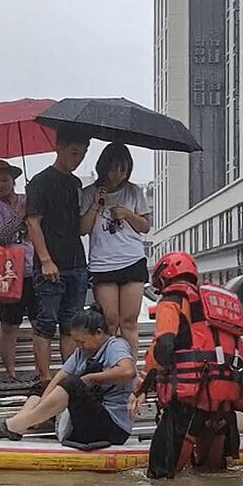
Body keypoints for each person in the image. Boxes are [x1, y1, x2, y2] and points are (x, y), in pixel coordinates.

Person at [129, 251, 243, 479]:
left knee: (160, 480)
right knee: (216, 479)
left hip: (189, 402)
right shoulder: (220, 305)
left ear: (164, 278)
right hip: (224, 404)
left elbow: (163, 348)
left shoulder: (172, 299)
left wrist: (141, 389)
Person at [0, 306, 136, 444]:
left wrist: (90, 378)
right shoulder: (81, 352)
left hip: (111, 428)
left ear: (99, 334)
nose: (80, 346)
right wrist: (42, 405)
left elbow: (127, 371)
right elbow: (60, 375)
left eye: (83, 342)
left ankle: (15, 425)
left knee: (73, 384)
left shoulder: (115, 346)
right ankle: (18, 425)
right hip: (85, 421)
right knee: (41, 388)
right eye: (77, 342)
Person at [25, 127, 91, 386]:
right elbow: (33, 223)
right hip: (50, 265)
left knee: (71, 324)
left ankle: (69, 377)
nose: (78, 158)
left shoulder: (76, 183)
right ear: (59, 148)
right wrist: (45, 260)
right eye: (74, 152)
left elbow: (80, 225)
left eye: (83, 154)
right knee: (45, 323)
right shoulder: (40, 182)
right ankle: (44, 378)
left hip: (76, 261)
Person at [80, 143, 152, 357]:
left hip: (131, 259)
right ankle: (110, 364)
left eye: (123, 169)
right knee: (109, 321)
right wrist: (95, 204)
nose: (117, 174)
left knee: (129, 321)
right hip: (103, 263)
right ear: (103, 167)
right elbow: (82, 229)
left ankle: (129, 367)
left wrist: (127, 214)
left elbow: (146, 226)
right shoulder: (89, 193)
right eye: (113, 168)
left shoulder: (133, 191)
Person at [0, 159, 37, 379]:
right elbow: (0, 237)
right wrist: (18, 215)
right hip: (7, 273)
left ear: (13, 180)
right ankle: (11, 373)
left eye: (4, 180)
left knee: (39, 323)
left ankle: (40, 370)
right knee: (8, 325)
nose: (1, 185)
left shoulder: (29, 199)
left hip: (34, 270)